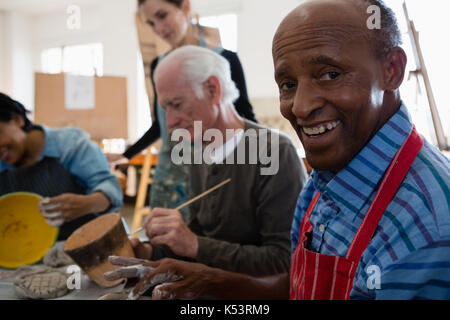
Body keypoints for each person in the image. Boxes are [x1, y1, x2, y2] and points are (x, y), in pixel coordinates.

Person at [106, 0, 450, 300]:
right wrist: (170, 258)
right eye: (287, 84)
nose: (300, 107)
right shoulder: (325, 180)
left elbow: (276, 259)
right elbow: (297, 283)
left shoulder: (428, 223)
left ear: (392, 70)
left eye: (330, 74)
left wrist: (200, 255)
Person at [105, 45, 307, 281]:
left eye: (177, 104)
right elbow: (201, 235)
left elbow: (285, 261)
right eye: (165, 108)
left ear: (213, 89)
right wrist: (150, 251)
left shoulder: (275, 153)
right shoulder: (198, 152)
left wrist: (194, 245)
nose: (169, 123)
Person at [108, 0, 257, 218]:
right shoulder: (160, 65)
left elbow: (245, 117)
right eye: (151, 23)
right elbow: (161, 125)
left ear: (185, 8)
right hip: (170, 178)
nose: (158, 29)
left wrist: (265, 163)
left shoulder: (225, 60)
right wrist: (125, 155)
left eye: (162, 16)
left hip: (213, 175)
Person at [0, 93, 123, 240]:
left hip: (93, 245)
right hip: (25, 254)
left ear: (17, 119)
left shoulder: (69, 144)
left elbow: (109, 186)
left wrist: (88, 203)